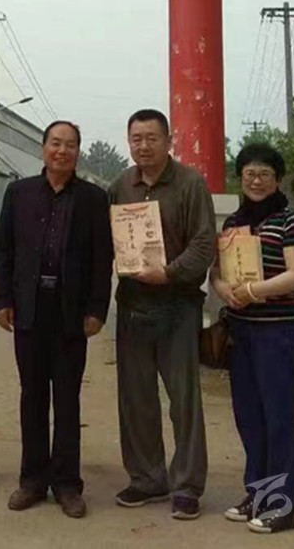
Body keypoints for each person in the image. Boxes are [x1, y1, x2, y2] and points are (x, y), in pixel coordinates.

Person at [0, 121, 113, 520]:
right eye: (56, 143)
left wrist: (97, 308)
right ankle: (32, 480)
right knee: (32, 396)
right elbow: (5, 250)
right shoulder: (19, 193)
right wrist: (2, 299)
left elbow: (102, 258)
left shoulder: (94, 199)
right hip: (29, 308)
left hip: (71, 311)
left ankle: (67, 483)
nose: (63, 151)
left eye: (71, 145)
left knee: (66, 398)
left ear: (78, 152)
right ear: (43, 148)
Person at [109, 109, 216, 521]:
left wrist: (168, 273)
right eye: (136, 139)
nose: (143, 146)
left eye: (151, 138)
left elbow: (203, 244)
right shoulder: (120, 186)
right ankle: (147, 479)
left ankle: (187, 485)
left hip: (178, 304)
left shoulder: (190, 184)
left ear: (169, 141)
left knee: (183, 401)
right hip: (133, 305)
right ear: (128, 142)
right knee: (136, 399)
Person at [211, 142, 294, 535]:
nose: (256, 180)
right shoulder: (234, 223)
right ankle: (259, 494)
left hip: (277, 333)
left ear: (277, 179)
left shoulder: (290, 221)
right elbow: (218, 272)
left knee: (279, 418)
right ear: (240, 177)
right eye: (249, 173)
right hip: (241, 333)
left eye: (264, 174)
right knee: (249, 417)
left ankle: (283, 505)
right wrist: (221, 288)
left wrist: (253, 291)